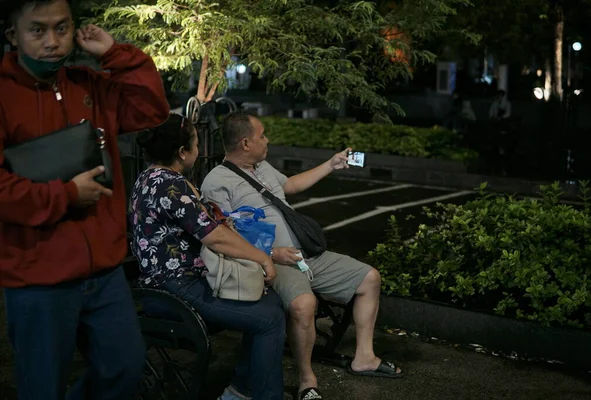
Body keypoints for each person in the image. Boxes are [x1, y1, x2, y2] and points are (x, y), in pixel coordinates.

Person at [0, 1, 170, 399]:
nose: (52, 42)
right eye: (37, 30)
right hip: (36, 277)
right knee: (41, 387)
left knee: (125, 367)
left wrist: (115, 55)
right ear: (13, 36)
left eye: (61, 28)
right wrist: (66, 195)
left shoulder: (88, 83)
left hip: (103, 270)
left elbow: (151, 110)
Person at [201, 111, 403, 400]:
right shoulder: (217, 182)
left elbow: (290, 185)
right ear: (245, 143)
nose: (267, 140)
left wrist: (331, 165)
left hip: (304, 254)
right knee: (303, 304)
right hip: (272, 263)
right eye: (262, 135)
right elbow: (224, 237)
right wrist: (271, 253)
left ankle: (364, 357)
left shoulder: (262, 166)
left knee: (370, 279)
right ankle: (307, 380)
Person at [130, 113, 286, 400]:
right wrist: (263, 258)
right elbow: (214, 235)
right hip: (173, 291)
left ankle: (240, 389)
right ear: (181, 152)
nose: (200, 151)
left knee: (271, 303)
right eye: (197, 144)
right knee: (268, 319)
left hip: (174, 285)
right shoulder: (170, 185)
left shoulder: (150, 177)